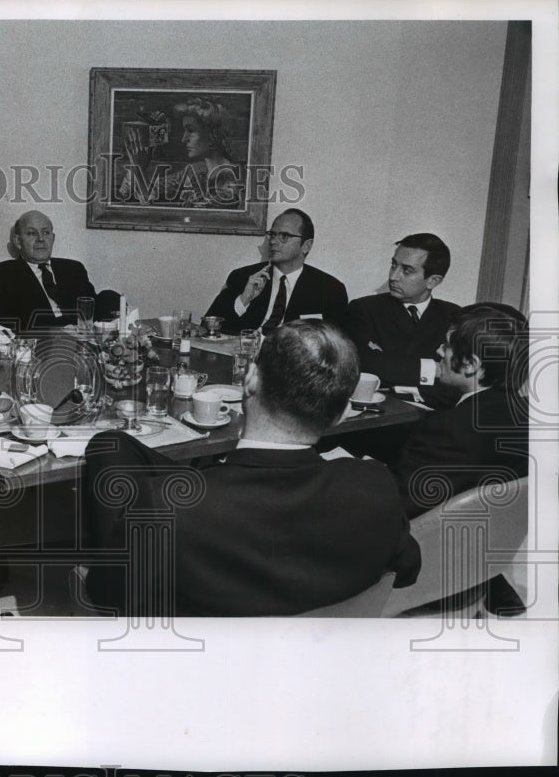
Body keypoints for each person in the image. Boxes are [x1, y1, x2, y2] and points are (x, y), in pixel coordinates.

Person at [83, 319, 421, 617]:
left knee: (111, 450)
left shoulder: (164, 508)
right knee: (113, 445)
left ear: (250, 380)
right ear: (340, 413)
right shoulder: (374, 484)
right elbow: (407, 567)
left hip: (202, 670)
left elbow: (107, 596)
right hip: (318, 659)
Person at [389, 302, 529, 615]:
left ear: (471, 365)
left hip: (423, 576)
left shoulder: (447, 428)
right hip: (477, 564)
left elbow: (395, 508)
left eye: (448, 344)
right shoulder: (529, 419)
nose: (439, 350)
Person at [204, 209, 348, 335]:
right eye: (272, 234)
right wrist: (243, 300)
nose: (273, 241)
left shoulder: (330, 290)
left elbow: (335, 347)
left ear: (306, 246)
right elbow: (207, 328)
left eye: (284, 236)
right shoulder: (242, 277)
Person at [342, 233, 460, 387]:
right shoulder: (364, 309)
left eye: (407, 271)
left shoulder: (454, 316)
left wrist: (390, 362)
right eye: (393, 265)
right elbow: (366, 364)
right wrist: (437, 369)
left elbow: (461, 378)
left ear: (432, 281)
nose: (393, 276)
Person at [0, 210, 119, 333]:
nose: (40, 239)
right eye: (31, 233)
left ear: (53, 238)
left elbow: (92, 310)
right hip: (36, 350)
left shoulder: (74, 269)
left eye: (46, 232)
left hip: (79, 347)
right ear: (18, 241)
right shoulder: (1, 274)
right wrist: (57, 331)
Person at [118, 97, 245, 209]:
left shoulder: (229, 181)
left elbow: (151, 213)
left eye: (191, 130)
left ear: (213, 136)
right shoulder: (196, 170)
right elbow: (128, 192)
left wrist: (139, 168)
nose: (184, 139)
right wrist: (150, 145)